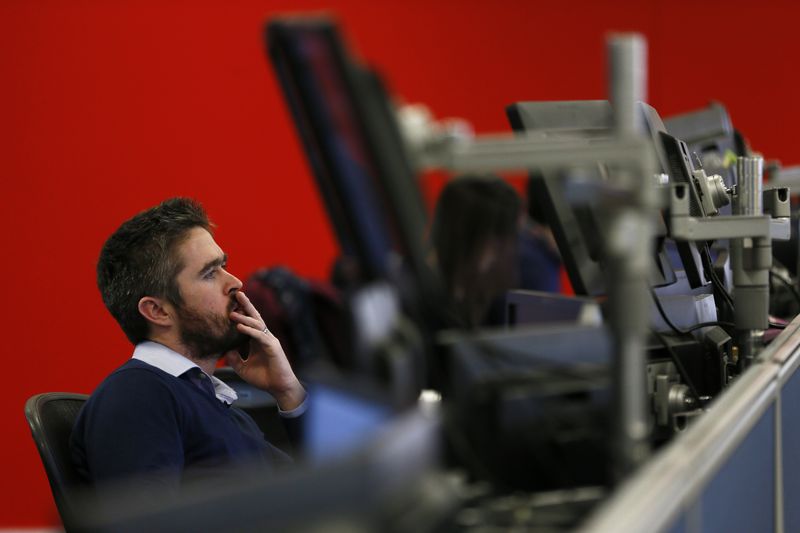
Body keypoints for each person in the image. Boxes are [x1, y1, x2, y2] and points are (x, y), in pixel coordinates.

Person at [70, 197, 307, 490]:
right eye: (209, 273)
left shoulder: (221, 409)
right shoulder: (138, 395)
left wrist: (288, 392)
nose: (234, 282)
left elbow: (330, 492)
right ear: (157, 311)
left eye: (224, 265)